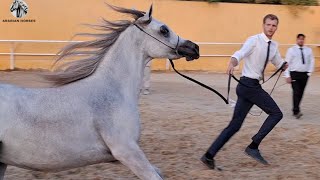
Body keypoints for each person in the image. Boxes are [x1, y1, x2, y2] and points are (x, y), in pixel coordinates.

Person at [201, 14, 288, 169]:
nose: (271, 28)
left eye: (274, 25)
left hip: (247, 87)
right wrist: (232, 62)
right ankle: (253, 146)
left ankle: (209, 155)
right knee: (276, 114)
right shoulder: (254, 40)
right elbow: (239, 53)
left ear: (276, 27)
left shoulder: (274, 45)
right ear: (263, 25)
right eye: (268, 25)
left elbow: (277, 61)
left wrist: (284, 66)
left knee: (234, 126)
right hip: (249, 85)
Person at [284, 34, 315, 119]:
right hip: (294, 74)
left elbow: (312, 61)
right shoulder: (291, 50)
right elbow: (287, 63)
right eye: (299, 39)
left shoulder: (308, 50)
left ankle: (296, 108)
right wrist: (287, 75)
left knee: (301, 93)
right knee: (296, 92)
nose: (301, 40)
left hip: (304, 74)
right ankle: (296, 110)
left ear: (304, 40)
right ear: (297, 39)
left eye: (302, 39)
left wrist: (309, 72)